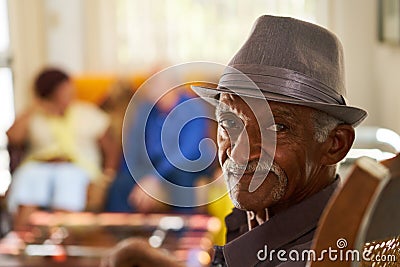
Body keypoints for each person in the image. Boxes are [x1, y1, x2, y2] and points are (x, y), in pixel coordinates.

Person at [101, 15, 367, 266]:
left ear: (335, 145)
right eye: (229, 123)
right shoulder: (263, 217)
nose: (239, 153)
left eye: (276, 127)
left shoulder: (321, 255)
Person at [6, 68, 118, 229]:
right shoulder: (36, 115)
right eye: (63, 89)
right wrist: (36, 106)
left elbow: (111, 147)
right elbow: (13, 137)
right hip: (39, 166)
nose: (69, 92)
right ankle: (22, 241)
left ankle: (60, 239)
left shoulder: (86, 112)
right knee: (29, 181)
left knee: (67, 182)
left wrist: (108, 175)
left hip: (76, 167)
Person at [105, 86, 215, 213]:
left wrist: (154, 178)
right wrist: (127, 172)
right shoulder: (146, 108)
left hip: (189, 164)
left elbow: (186, 152)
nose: (154, 97)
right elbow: (134, 144)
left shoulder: (192, 107)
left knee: (181, 177)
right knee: (120, 184)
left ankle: (184, 228)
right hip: (155, 164)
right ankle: (121, 230)